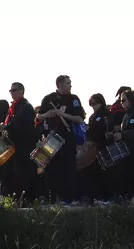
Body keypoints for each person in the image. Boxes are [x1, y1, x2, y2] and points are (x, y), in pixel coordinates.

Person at [37, 75, 85, 204]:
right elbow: (39, 116)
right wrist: (48, 114)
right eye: (67, 83)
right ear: (59, 84)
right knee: (50, 168)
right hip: (50, 138)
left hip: (67, 137)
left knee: (68, 168)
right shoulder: (48, 99)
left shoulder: (73, 99)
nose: (70, 85)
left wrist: (63, 114)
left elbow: (80, 119)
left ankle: (68, 198)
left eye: (70, 83)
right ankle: (52, 197)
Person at [4, 83, 37, 204]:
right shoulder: (14, 107)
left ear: (22, 91)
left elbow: (23, 126)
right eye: (10, 90)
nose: (11, 92)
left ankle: (26, 199)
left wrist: (8, 127)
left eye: (14, 90)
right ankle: (17, 198)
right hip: (15, 144)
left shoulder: (26, 107)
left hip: (24, 145)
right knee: (15, 174)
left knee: (23, 173)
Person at [82, 93, 114, 202]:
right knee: (93, 173)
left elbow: (104, 129)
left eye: (94, 103)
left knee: (104, 173)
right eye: (90, 104)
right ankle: (95, 196)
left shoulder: (106, 115)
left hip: (103, 146)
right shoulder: (93, 116)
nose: (92, 106)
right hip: (92, 148)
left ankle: (106, 197)